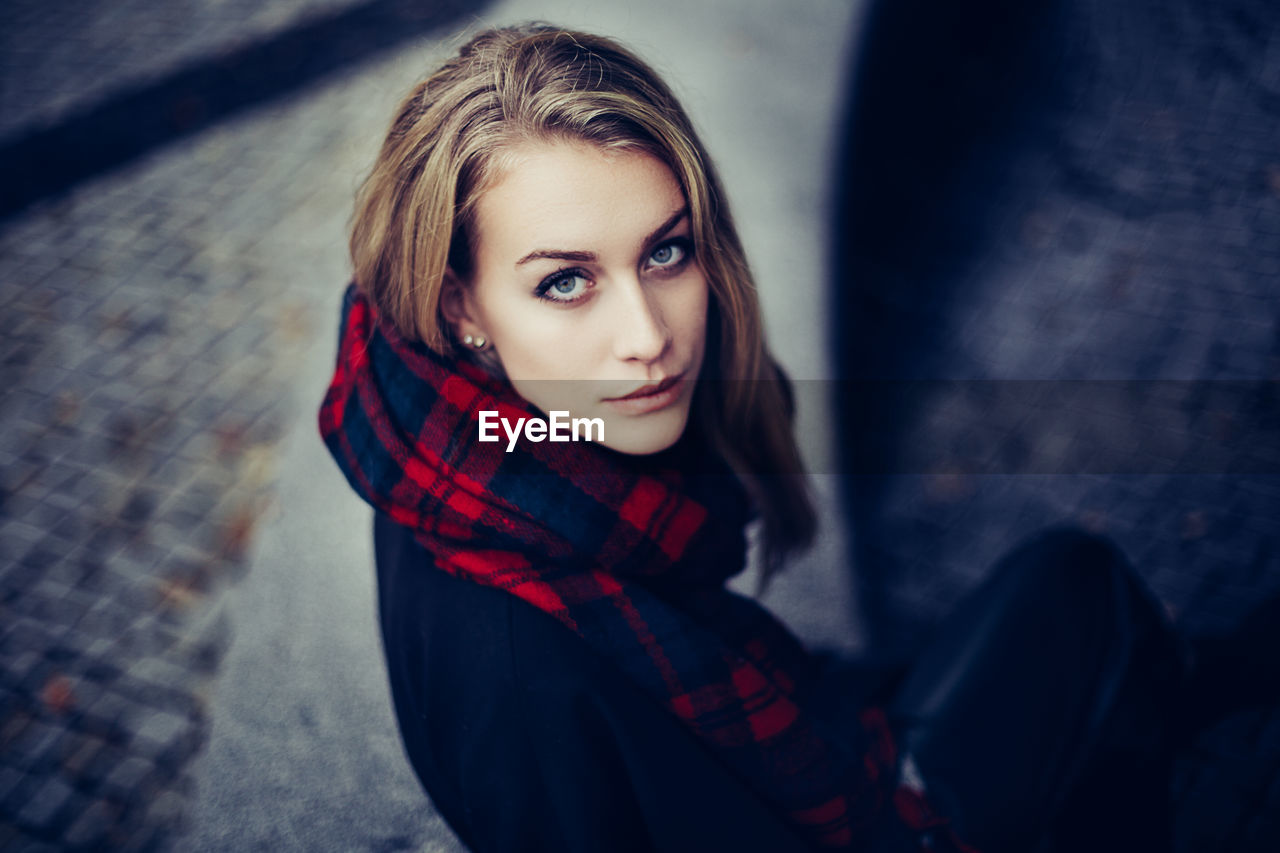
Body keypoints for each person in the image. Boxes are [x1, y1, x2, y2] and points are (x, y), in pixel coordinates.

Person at [318, 23, 1274, 853]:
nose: (649, 335)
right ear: (462, 306)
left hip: (786, 735)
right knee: (1078, 589)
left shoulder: (458, 449)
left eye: (667, 250)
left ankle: (1174, 697)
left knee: (1079, 615)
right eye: (565, 281)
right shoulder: (526, 678)